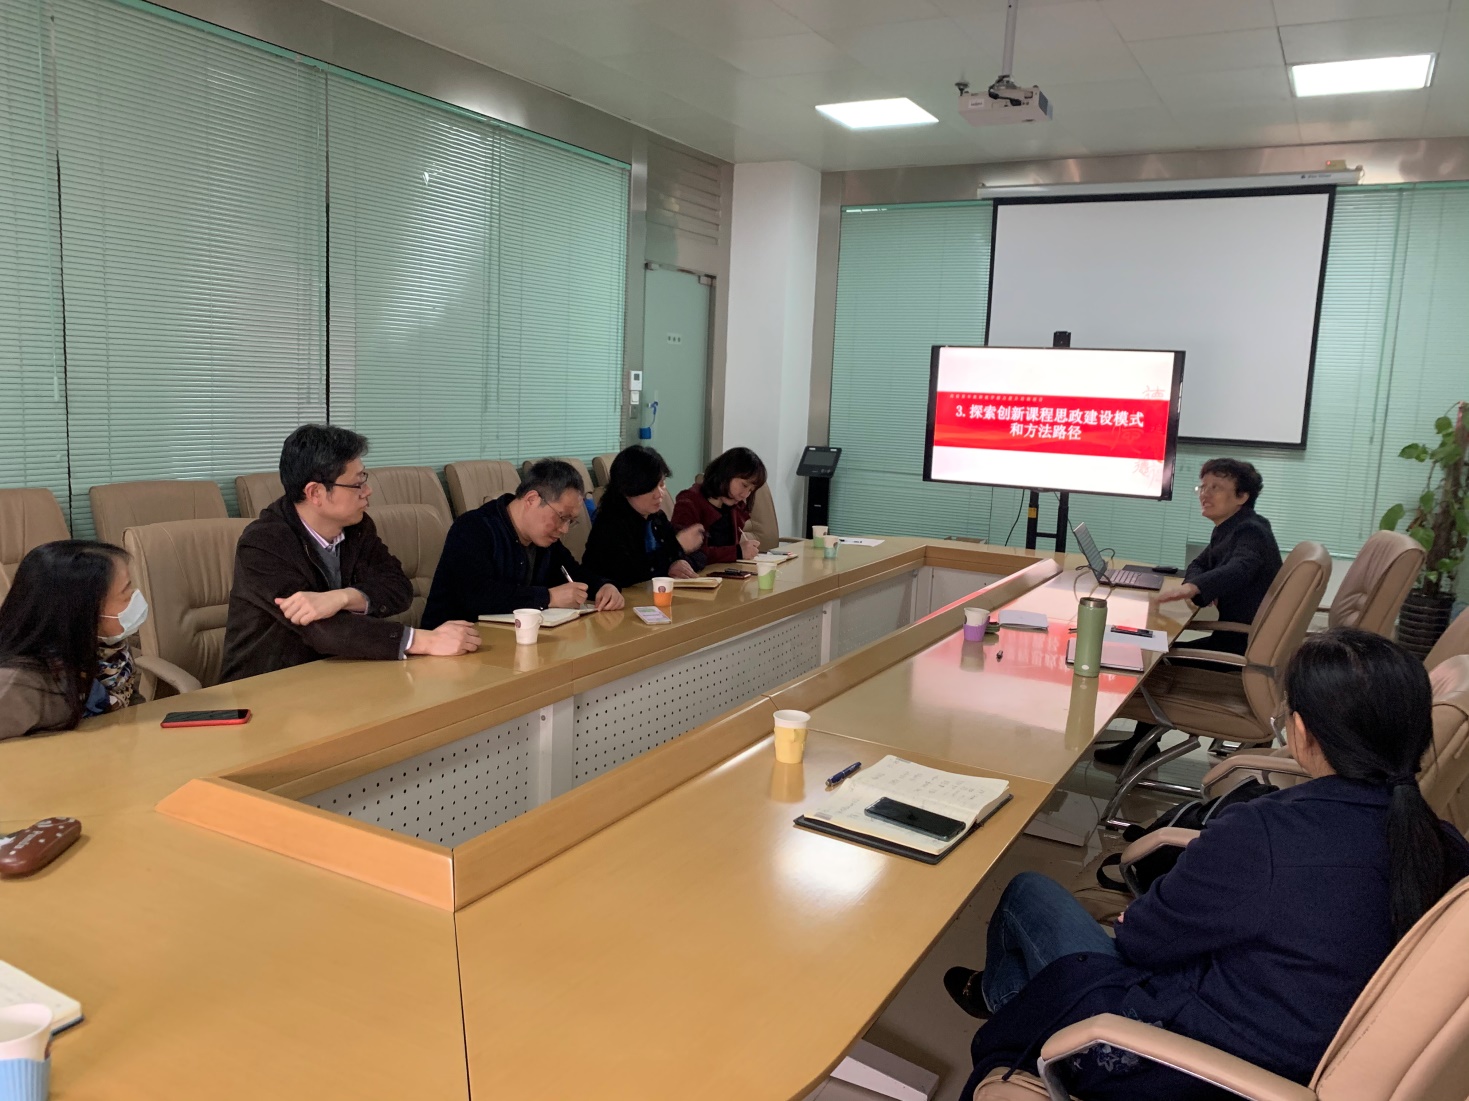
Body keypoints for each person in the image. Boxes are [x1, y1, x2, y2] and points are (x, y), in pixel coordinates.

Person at [947, 628, 1469, 1101]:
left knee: (1027, 894)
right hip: (1287, 1052)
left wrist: (1150, 917)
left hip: (1182, 1062)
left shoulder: (1265, 834)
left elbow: (1140, 942)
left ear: (1302, 731)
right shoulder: (1443, 845)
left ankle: (1000, 995)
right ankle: (1003, 994)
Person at [221, 424, 480, 681]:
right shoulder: (263, 545)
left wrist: (343, 597)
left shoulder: (357, 527)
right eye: (357, 484)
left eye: (364, 479)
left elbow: (398, 588)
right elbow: (320, 628)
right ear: (315, 492)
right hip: (266, 686)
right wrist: (423, 640)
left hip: (339, 673)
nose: (368, 491)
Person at [1095, 457, 1282, 766]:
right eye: (1202, 486)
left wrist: (1195, 588)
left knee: (1154, 657)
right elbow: (1199, 563)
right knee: (1155, 648)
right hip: (1241, 641)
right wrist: (1197, 584)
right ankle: (1141, 743)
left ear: (1242, 496)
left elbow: (1242, 567)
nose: (1204, 494)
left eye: (1216, 487)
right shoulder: (1231, 527)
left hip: (1241, 648)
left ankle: (1141, 746)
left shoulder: (1250, 531)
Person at [422, 459, 623, 627]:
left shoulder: (544, 539)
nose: (564, 529)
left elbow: (573, 573)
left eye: (571, 521)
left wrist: (604, 587)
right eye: (562, 517)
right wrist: (548, 597)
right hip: (453, 646)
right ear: (531, 499)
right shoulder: (473, 528)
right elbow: (477, 596)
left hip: (510, 642)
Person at [0, 540, 149, 740]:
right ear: (83, 610)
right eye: (126, 592)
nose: (135, 598)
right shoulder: (16, 684)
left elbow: (132, 712)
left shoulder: (106, 650)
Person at [582, 446, 704, 588]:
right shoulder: (610, 525)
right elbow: (630, 575)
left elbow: (699, 555)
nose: (659, 494)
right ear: (628, 488)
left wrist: (681, 563)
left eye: (662, 484)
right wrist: (676, 548)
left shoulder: (657, 519)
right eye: (651, 488)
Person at [672, 446, 766, 566]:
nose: (745, 495)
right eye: (744, 485)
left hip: (726, 572)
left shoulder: (736, 507)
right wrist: (737, 552)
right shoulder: (689, 501)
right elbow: (689, 553)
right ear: (727, 473)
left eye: (751, 490)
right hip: (698, 575)